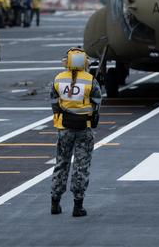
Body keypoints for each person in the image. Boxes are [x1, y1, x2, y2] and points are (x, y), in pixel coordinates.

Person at [50, 47, 101, 217]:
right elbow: (96, 103)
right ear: (85, 62)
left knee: (61, 163)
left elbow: (54, 102)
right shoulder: (90, 80)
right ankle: (78, 206)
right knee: (81, 166)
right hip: (84, 128)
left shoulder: (58, 79)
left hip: (64, 128)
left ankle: (55, 202)